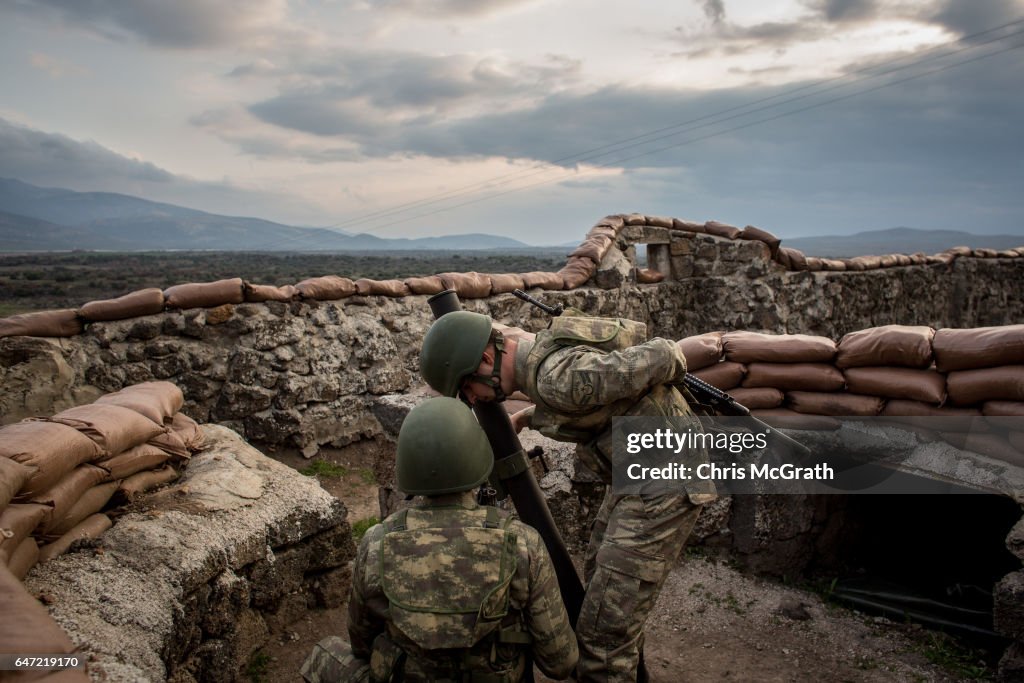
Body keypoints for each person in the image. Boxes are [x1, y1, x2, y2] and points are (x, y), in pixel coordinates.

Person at [420, 310, 717, 682]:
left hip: (665, 486)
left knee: (601, 640)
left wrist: (673, 374)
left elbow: (662, 355)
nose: (474, 399)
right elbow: (589, 393)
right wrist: (527, 417)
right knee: (601, 590)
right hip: (641, 478)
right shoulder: (544, 365)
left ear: (485, 359)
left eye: (467, 388)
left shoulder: (554, 378)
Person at [301, 396, 579, 683]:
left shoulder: (376, 542)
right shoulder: (523, 543)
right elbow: (560, 662)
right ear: (479, 458)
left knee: (325, 653)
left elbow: (361, 642)